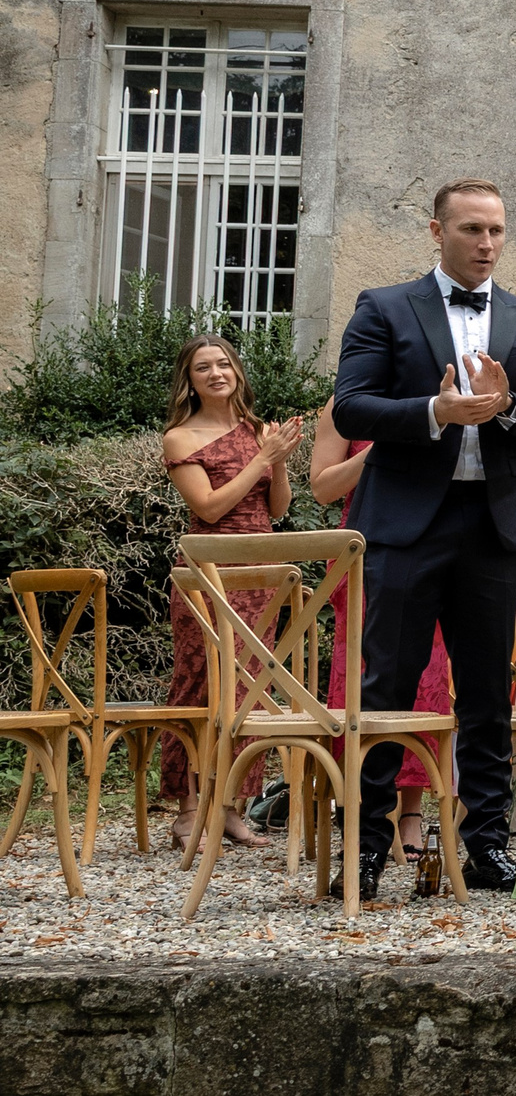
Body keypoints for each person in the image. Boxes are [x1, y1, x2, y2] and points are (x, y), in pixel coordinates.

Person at [329, 178, 516, 902]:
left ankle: (485, 844)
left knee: (488, 691)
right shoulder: (385, 306)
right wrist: (433, 409)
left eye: (497, 231)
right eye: (472, 229)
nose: (487, 243)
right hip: (407, 522)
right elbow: (352, 400)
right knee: (386, 684)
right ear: (436, 229)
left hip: (493, 522)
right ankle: (365, 842)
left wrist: (510, 411)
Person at [161, 334, 301, 852]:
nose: (217, 373)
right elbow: (211, 508)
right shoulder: (181, 437)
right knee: (201, 686)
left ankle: (230, 809)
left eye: (224, 364)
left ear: (237, 371)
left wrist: (278, 459)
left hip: (260, 574)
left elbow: (279, 508)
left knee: (248, 692)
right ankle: (188, 810)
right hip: (209, 574)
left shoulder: (255, 431)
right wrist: (261, 456)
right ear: (190, 380)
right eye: (204, 367)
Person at [311, 397, 453, 867]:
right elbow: (323, 487)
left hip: (437, 540)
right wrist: (379, 449)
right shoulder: (343, 405)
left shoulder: (440, 393)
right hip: (369, 547)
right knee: (367, 676)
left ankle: (411, 812)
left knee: (428, 679)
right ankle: (363, 810)